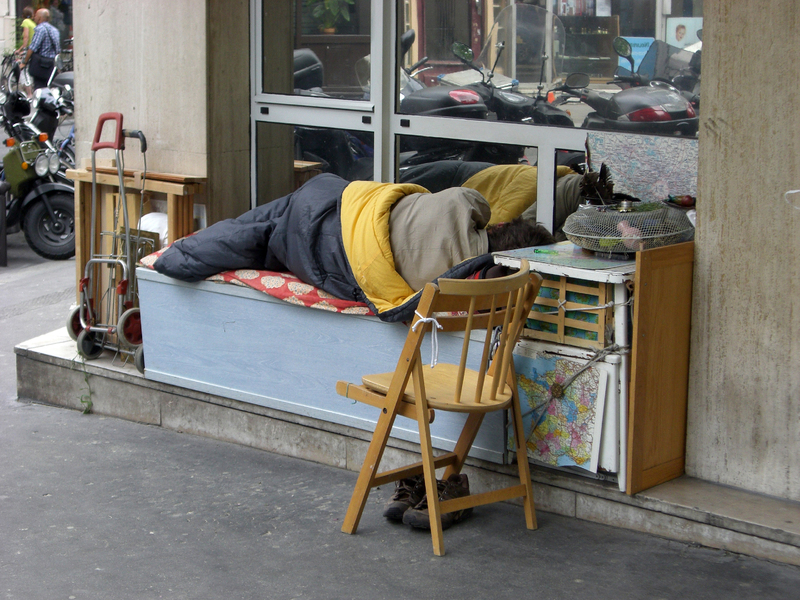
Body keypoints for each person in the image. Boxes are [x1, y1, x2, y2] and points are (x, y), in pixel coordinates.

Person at [21, 8, 61, 90]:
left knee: (39, 88)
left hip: (40, 66)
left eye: (35, 15)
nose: (34, 17)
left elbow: (33, 47)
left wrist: (24, 62)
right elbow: (58, 50)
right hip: (52, 65)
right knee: (50, 87)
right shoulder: (55, 30)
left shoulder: (40, 29)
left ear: (39, 18)